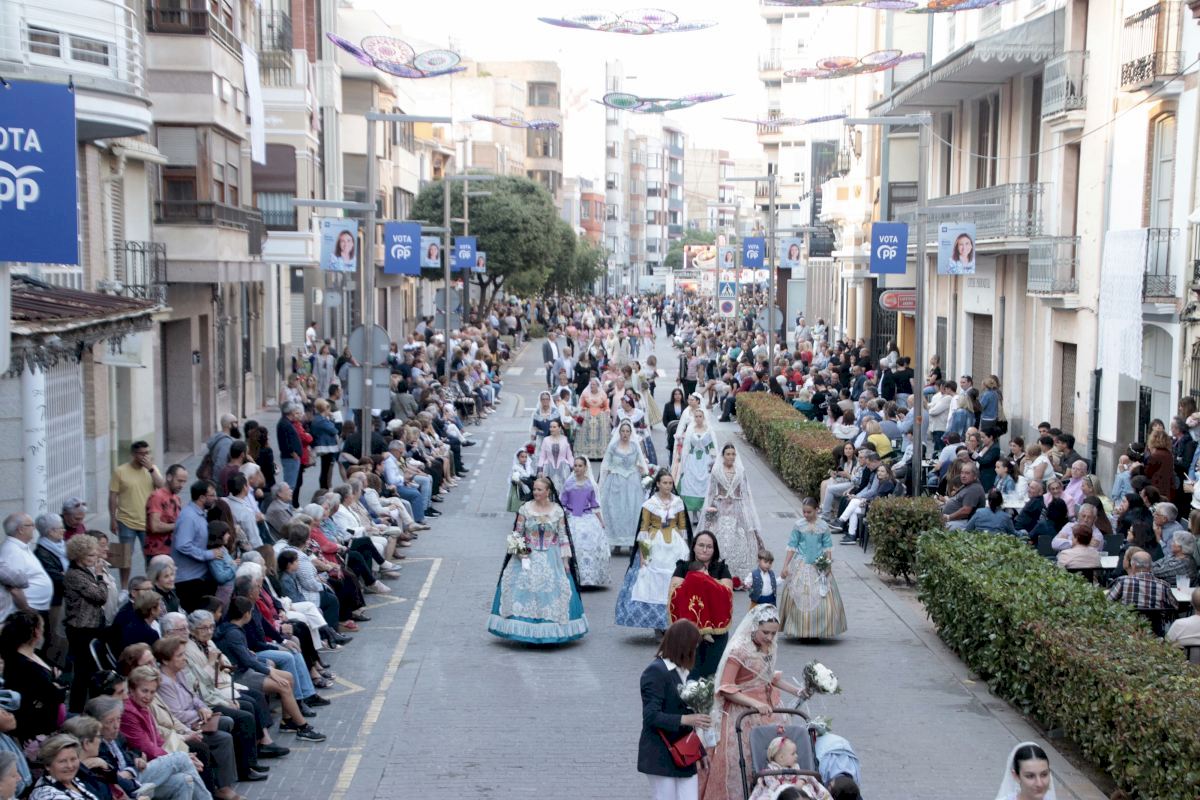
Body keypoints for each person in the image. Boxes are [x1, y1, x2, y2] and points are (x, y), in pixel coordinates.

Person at [700, 605, 808, 800]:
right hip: (742, 713)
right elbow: (725, 687)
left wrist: (797, 690)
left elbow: (768, 677)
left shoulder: (769, 646)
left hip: (768, 710)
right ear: (754, 627)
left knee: (772, 757)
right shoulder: (739, 650)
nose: (770, 637)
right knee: (742, 761)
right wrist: (754, 703)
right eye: (765, 632)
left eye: (773, 633)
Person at [487, 476, 588, 643]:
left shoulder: (557, 511)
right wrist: (522, 554)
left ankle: (550, 631)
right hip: (528, 555)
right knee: (524, 588)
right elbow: (516, 534)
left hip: (552, 557)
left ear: (548, 491)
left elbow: (563, 537)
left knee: (556, 590)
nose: (535, 492)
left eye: (539, 489)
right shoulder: (525, 509)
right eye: (534, 489)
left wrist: (565, 562)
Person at [637, 620, 710, 800]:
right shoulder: (655, 672)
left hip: (684, 752)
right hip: (661, 754)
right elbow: (651, 716)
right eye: (693, 647)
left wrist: (699, 752)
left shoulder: (681, 671)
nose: (695, 652)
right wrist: (686, 719)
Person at [616, 470, 692, 633]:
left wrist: (686, 550)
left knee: (675, 579)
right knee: (653, 582)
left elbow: (682, 527)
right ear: (658, 484)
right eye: (665, 483)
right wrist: (644, 555)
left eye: (670, 483)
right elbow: (644, 529)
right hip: (655, 544)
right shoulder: (650, 504)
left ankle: (673, 621)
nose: (668, 486)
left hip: (675, 545)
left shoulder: (678, 502)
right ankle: (658, 625)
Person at [778, 498, 847, 639]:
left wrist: (827, 564)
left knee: (821, 597)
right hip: (801, 564)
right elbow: (792, 546)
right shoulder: (798, 525)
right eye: (803, 511)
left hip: (818, 565)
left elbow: (827, 547)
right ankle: (800, 630)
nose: (806, 514)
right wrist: (785, 566)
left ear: (816, 510)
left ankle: (816, 632)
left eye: (809, 512)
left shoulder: (823, 526)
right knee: (799, 596)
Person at [668, 532, 733, 679]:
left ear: (714, 549)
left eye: (709, 546)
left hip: (716, 632)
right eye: (701, 545)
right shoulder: (683, 567)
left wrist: (704, 581)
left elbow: (727, 593)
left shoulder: (721, 569)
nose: (705, 549)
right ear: (694, 547)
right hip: (687, 632)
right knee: (688, 673)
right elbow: (674, 592)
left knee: (711, 674)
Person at [699, 444, 762, 587]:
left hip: (736, 508)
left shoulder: (740, 471)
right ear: (723, 456)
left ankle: (736, 576)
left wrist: (747, 512)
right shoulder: (716, 471)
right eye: (728, 454)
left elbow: (745, 493)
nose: (731, 457)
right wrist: (709, 512)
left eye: (733, 454)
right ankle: (718, 574)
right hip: (720, 507)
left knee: (740, 538)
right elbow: (711, 492)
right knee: (719, 538)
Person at [0, 610, 66, 742]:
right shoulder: (23, 665)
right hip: (35, 728)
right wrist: (55, 686)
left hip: (49, 715)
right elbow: (54, 695)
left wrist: (54, 684)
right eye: (42, 627)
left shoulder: (35, 654)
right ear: (36, 632)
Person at [63, 536, 109, 712]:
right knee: (83, 673)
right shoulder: (75, 575)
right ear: (78, 556)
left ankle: (93, 708)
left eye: (95, 554)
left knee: (92, 671)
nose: (94, 559)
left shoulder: (84, 572)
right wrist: (100, 576)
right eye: (90, 556)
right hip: (81, 629)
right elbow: (100, 596)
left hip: (91, 627)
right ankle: (76, 710)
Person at [600, 421, 650, 552]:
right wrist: (604, 481)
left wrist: (644, 475)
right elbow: (606, 464)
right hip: (616, 481)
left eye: (628, 431)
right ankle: (616, 543)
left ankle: (631, 542)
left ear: (631, 433)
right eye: (623, 431)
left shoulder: (635, 447)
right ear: (619, 432)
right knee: (616, 511)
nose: (625, 434)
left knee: (632, 511)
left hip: (632, 483)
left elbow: (641, 462)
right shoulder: (613, 447)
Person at [170, 482, 220, 613]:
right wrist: (208, 554)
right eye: (212, 495)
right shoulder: (189, 517)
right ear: (202, 497)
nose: (215, 498)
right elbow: (182, 545)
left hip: (198, 578)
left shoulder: (199, 514)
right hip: (189, 581)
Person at [561, 458, 610, 588]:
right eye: (575, 466)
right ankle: (575, 577)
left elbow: (594, 504)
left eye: (580, 466)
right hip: (572, 517)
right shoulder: (568, 484)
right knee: (574, 542)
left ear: (585, 468)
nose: (577, 468)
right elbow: (563, 503)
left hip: (587, 516)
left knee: (591, 542)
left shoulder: (589, 485)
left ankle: (590, 577)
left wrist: (601, 521)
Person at [747, 736, 832, 800]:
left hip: (798, 788)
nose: (797, 756)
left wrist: (801, 781)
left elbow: (804, 776)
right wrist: (782, 784)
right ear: (781, 757)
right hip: (780, 791)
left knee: (810, 790)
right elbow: (770, 783)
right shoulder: (771, 770)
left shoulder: (796, 766)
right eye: (793, 754)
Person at [29, 734, 103, 800]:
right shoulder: (47, 795)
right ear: (47, 765)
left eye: (73, 759)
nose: (70, 766)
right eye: (62, 761)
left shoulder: (73, 780)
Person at [675, 408, 718, 521]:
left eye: (700, 416)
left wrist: (714, 460)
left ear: (703, 417)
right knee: (691, 484)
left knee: (704, 485)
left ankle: (703, 511)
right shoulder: (690, 430)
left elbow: (712, 446)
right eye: (696, 416)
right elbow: (686, 446)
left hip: (705, 460)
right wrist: (683, 458)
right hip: (692, 460)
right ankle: (694, 513)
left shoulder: (708, 430)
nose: (698, 418)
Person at [1106, 551, 1177, 611]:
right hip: (1155, 622)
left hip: (1127, 622)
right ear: (1151, 567)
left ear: (1133, 566)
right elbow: (1175, 607)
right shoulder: (1164, 586)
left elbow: (1107, 602)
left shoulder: (1123, 581)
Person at [941, 463, 986, 530]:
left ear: (975, 476)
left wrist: (948, 517)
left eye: (967, 473)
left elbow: (966, 511)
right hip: (956, 520)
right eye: (962, 473)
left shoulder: (973, 489)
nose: (963, 476)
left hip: (963, 522)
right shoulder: (968, 485)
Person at [535, 419, 575, 495]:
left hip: (563, 469)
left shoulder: (565, 439)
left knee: (563, 490)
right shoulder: (546, 440)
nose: (551, 429)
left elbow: (569, 456)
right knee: (549, 490)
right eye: (550, 427)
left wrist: (573, 467)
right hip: (548, 468)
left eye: (554, 427)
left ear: (559, 428)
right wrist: (540, 470)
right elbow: (542, 456)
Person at [577, 378, 612, 460]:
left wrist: (607, 412)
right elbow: (581, 405)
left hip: (600, 416)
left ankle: (600, 454)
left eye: (593, 384)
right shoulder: (585, 394)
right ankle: (587, 453)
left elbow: (606, 406)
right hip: (588, 415)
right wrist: (584, 409)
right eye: (591, 384)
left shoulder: (602, 395)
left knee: (602, 429)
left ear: (597, 386)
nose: (592, 386)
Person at [507, 448, 537, 514]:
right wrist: (521, 483)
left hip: (530, 491)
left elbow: (531, 475)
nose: (524, 459)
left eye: (525, 457)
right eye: (522, 457)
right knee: (521, 511)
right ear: (518, 458)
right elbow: (514, 479)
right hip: (522, 492)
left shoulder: (528, 466)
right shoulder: (516, 468)